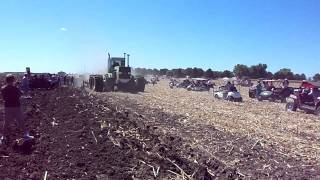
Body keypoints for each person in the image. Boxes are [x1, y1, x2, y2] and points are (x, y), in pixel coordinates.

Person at [0, 74, 34, 145]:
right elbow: (20, 95)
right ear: (13, 80)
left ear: (6, 80)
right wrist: (17, 87)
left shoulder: (3, 88)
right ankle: (26, 135)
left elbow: (3, 98)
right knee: (20, 121)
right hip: (16, 106)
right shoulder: (15, 88)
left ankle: (3, 137)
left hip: (7, 107)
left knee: (6, 122)